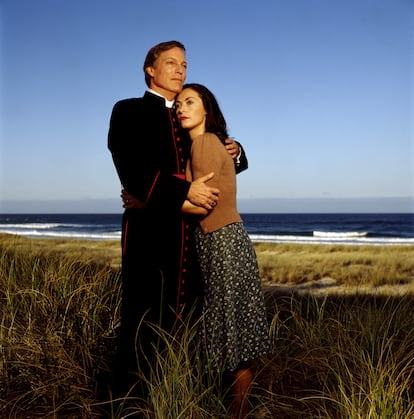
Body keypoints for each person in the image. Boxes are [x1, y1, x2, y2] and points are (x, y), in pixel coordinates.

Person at [107, 40, 248, 398]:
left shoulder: (188, 113)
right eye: (170, 63)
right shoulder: (128, 111)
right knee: (143, 317)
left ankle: (189, 397)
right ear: (150, 70)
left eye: (184, 64)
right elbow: (133, 169)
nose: (180, 69)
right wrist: (182, 192)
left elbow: (216, 160)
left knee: (195, 316)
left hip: (195, 233)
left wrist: (236, 150)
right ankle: (131, 403)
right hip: (149, 234)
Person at [175, 83, 271, 418]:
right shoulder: (209, 143)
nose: (181, 108)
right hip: (228, 240)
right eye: (178, 104)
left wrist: (149, 203)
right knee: (236, 335)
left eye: (190, 102)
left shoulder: (203, 144)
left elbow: (205, 205)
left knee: (230, 334)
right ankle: (239, 412)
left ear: (207, 109)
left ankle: (236, 413)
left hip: (221, 243)